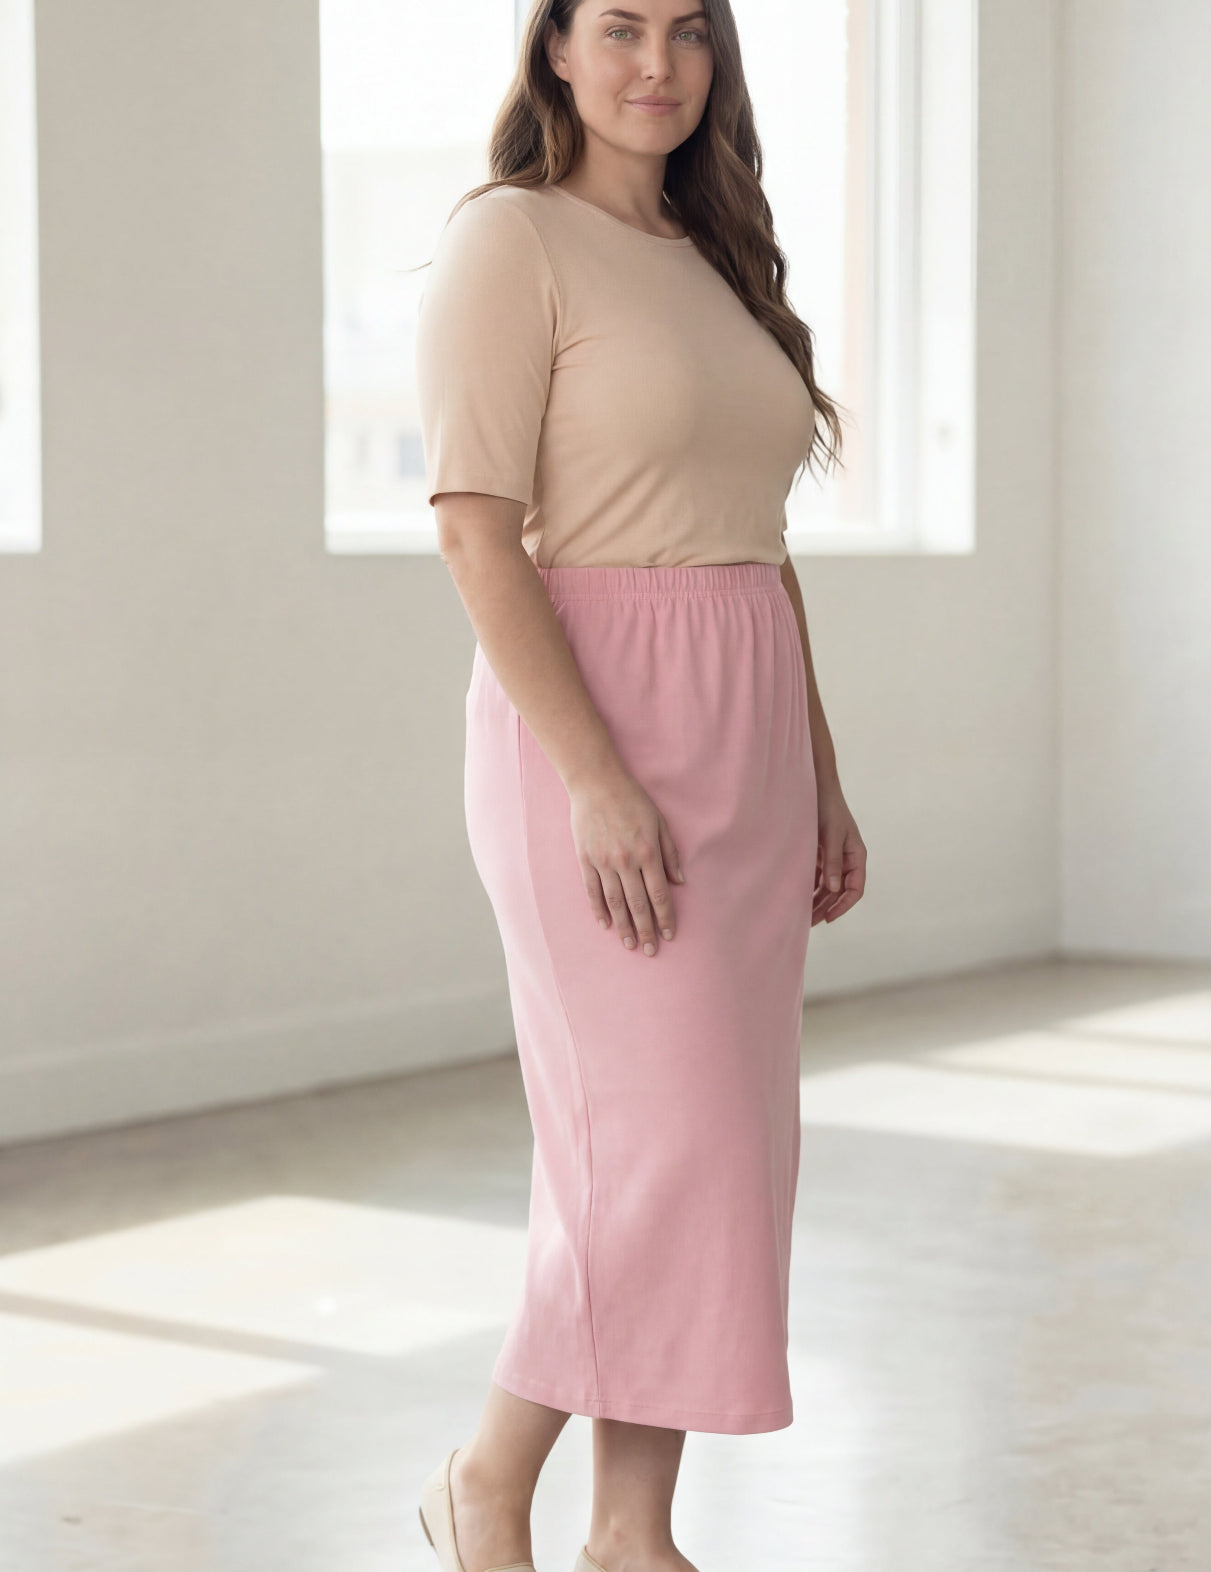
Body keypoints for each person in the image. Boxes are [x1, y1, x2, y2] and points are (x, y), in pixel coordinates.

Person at [413, 3, 867, 1569]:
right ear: (552, 49)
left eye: (688, 30)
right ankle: (484, 1478)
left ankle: (630, 1531)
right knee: (652, 1143)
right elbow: (476, 527)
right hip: (591, 730)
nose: (655, 63)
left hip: (743, 730)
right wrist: (593, 779)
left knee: (716, 1142)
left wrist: (818, 769)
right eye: (619, 26)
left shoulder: (712, 259)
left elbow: (759, 549)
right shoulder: (510, 241)